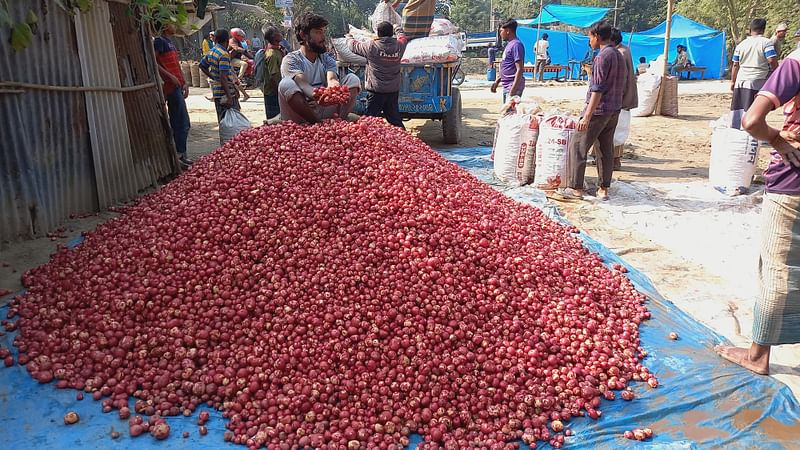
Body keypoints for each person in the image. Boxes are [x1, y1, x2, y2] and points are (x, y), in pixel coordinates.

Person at [715, 47, 800, 376]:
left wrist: (777, 139)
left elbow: (752, 120)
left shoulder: (796, 62)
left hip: (793, 182)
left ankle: (757, 355)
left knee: (777, 270)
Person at [558, 21, 625, 202]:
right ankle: (603, 189)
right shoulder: (619, 54)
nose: (589, 41)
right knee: (605, 150)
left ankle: (576, 188)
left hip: (599, 110)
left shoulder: (602, 57)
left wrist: (587, 116)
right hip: (614, 110)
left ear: (597, 36)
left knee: (578, 147)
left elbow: (598, 89)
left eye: (589, 37)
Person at [278, 13, 361, 124]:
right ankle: (317, 124)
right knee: (285, 84)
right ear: (303, 35)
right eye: (318, 32)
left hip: (322, 107)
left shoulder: (326, 58)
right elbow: (303, 85)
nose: (323, 37)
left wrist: (334, 90)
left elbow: (332, 79)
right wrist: (320, 97)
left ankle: (340, 121)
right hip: (302, 112)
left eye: (323, 32)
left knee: (353, 79)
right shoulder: (291, 60)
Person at [347, 21, 408, 128]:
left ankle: (368, 142)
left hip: (376, 91)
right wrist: (398, 28)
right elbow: (403, 37)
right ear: (391, 33)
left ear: (378, 34)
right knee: (395, 120)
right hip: (392, 91)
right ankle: (405, 141)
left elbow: (354, 46)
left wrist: (349, 37)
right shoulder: (399, 46)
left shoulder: (371, 46)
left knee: (369, 121)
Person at [153, 21, 193, 167]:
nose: (174, 25)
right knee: (181, 121)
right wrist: (170, 76)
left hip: (177, 85)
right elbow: (153, 62)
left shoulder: (170, 42)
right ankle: (179, 154)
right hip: (170, 86)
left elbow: (176, 64)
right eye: (171, 23)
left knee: (183, 121)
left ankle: (181, 153)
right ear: (164, 25)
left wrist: (185, 82)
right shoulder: (159, 42)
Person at [731, 18, 778, 112]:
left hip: (741, 80)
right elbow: (771, 60)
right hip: (757, 80)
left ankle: (738, 126)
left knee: (739, 110)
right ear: (763, 29)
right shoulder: (766, 42)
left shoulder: (741, 45)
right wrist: (778, 75)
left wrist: (733, 81)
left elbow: (735, 65)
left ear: (750, 30)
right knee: (753, 110)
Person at [200, 29, 240, 122]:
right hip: (225, 92)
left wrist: (213, 77)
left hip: (217, 92)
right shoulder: (224, 54)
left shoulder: (211, 51)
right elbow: (223, 77)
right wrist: (229, 96)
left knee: (222, 120)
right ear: (227, 40)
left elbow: (202, 66)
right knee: (233, 121)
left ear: (215, 40)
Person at [611, 27, 637, 170]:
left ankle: (614, 160)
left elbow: (621, 78)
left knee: (614, 130)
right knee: (618, 130)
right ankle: (614, 160)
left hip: (619, 98)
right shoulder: (625, 50)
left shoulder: (619, 53)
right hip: (623, 97)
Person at [490, 19, 524, 104]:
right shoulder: (510, 44)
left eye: (501, 31)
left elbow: (519, 69)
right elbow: (508, 66)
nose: (500, 34)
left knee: (509, 115)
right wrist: (497, 82)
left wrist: (512, 92)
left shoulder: (516, 45)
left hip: (512, 87)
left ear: (508, 31)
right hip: (507, 86)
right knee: (507, 114)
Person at [260, 26, 284, 121]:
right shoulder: (272, 54)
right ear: (273, 37)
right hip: (273, 93)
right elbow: (274, 76)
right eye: (277, 31)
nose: (280, 33)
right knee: (274, 120)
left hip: (277, 91)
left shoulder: (278, 50)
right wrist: (280, 93)